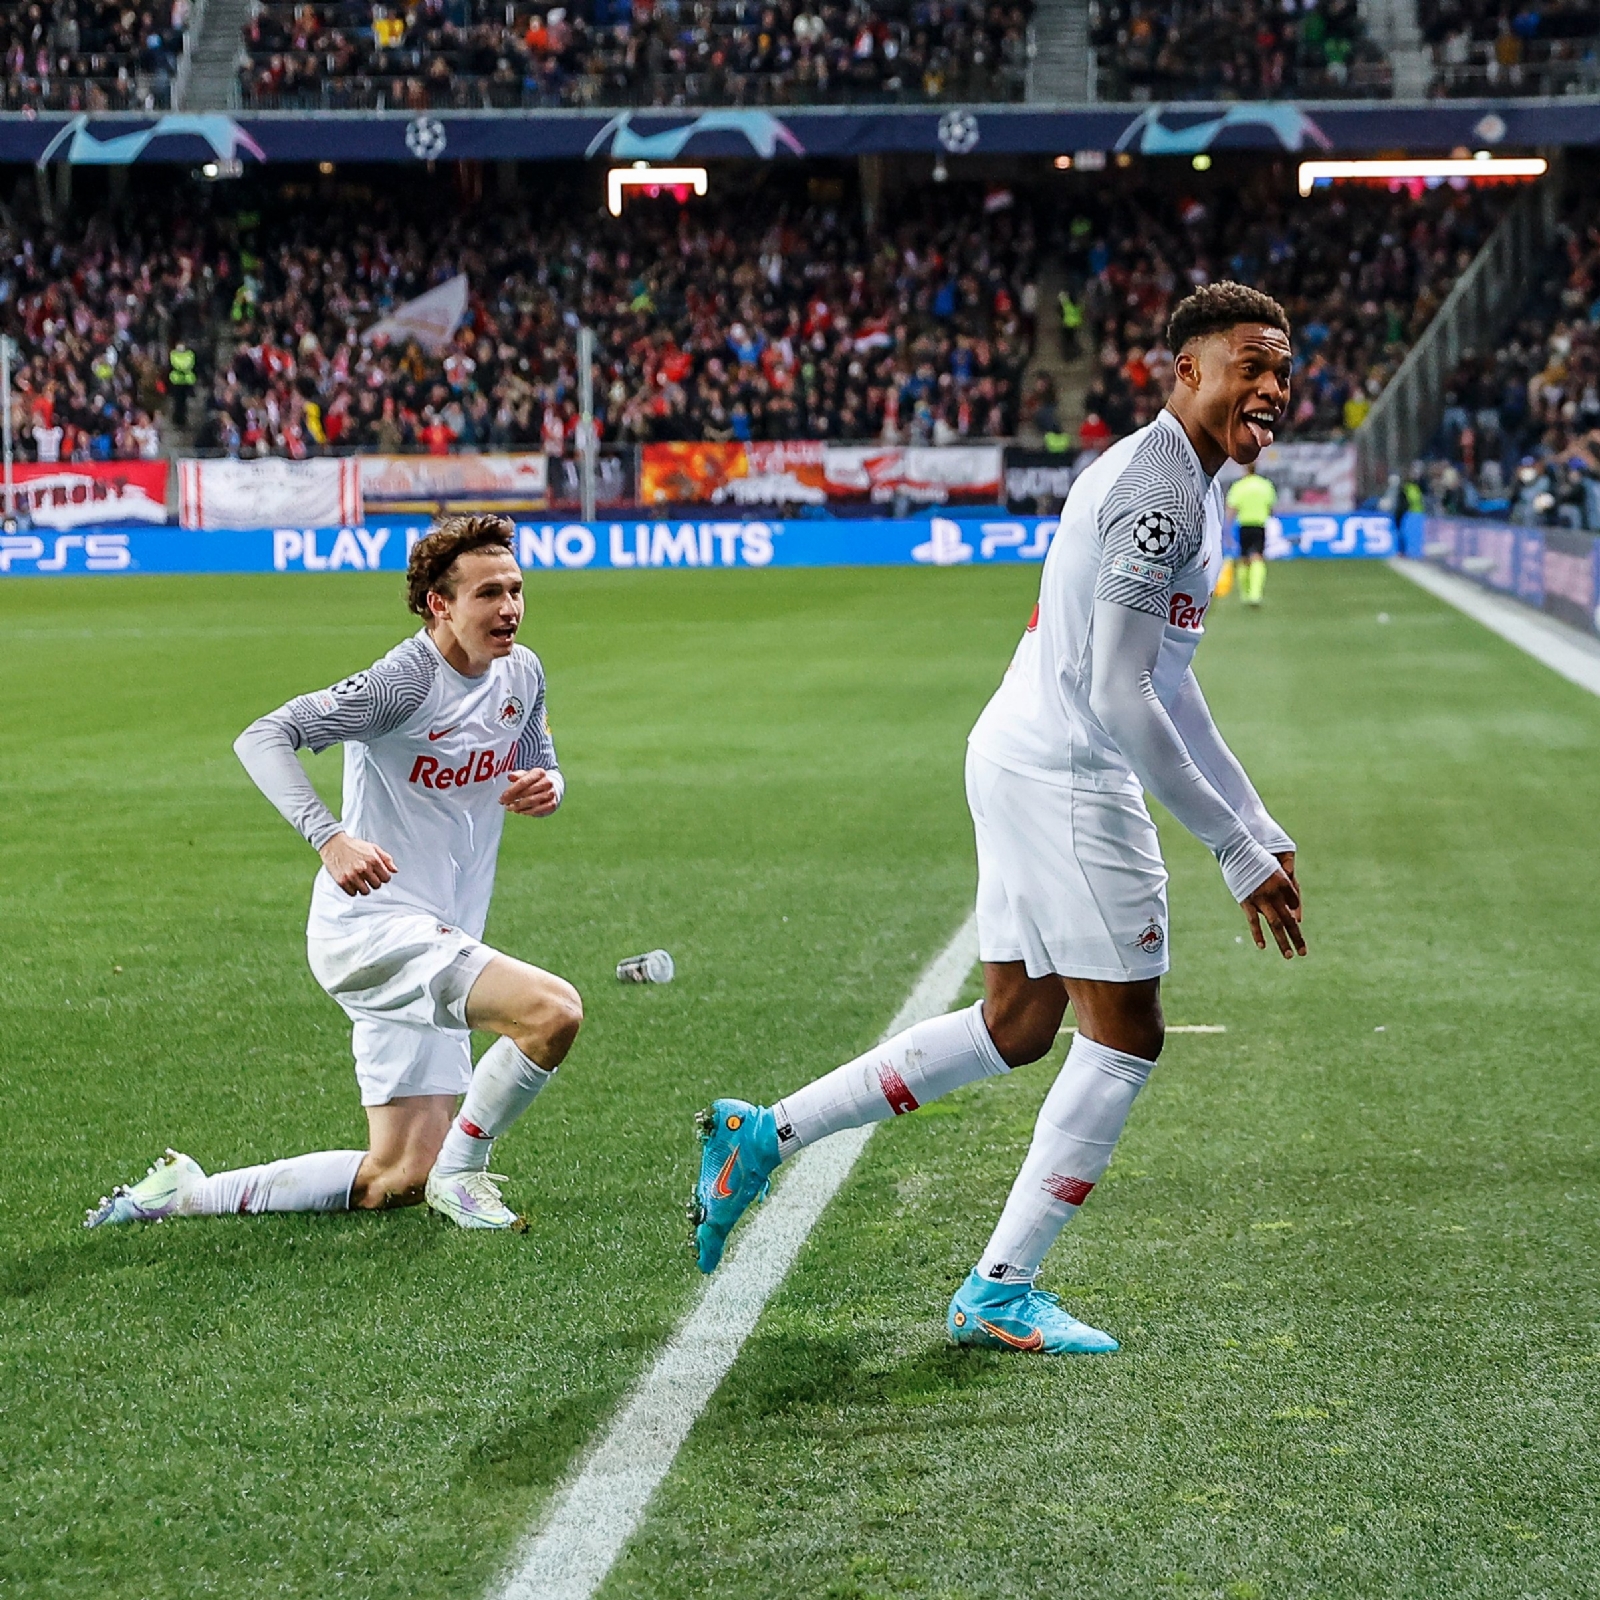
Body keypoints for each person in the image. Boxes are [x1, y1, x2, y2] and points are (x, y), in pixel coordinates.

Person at [690, 283, 1304, 1354]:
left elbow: (1168, 674)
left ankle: (765, 1132)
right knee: (1125, 1034)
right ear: (1186, 372)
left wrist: (1252, 815)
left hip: (1023, 748)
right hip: (1069, 770)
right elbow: (1122, 694)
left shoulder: (1175, 482)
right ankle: (998, 1288)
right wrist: (1233, 848)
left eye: (1282, 370)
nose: (1271, 388)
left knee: (1018, 1024)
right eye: (1249, 364)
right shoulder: (1160, 494)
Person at [86, 516, 583, 1233]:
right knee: (552, 1012)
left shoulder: (523, 671)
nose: (508, 608)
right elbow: (263, 736)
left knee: (398, 1175)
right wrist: (331, 838)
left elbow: (539, 749)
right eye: (487, 594)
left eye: (515, 590)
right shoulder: (403, 682)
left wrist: (550, 785)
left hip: (441, 930)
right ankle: (466, 1175)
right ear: (438, 604)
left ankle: (186, 1193)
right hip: (375, 929)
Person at [1225, 461, 1276, 607]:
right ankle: (1256, 594)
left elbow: (1231, 508)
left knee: (1243, 559)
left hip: (1244, 524)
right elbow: (1271, 506)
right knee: (1257, 557)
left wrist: (1227, 528)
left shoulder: (1239, 486)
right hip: (1259, 524)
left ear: (1244, 469)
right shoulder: (1265, 485)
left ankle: (1245, 594)